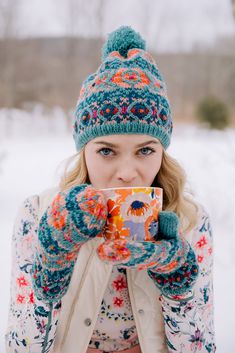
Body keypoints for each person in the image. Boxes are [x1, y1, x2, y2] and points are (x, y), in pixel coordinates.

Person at [5, 26, 216, 353]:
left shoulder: (189, 222)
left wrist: (180, 293)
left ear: (162, 152)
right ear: (84, 152)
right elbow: (21, 347)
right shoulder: (40, 215)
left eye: (145, 150)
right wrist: (50, 276)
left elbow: (202, 346)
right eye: (107, 151)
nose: (128, 173)